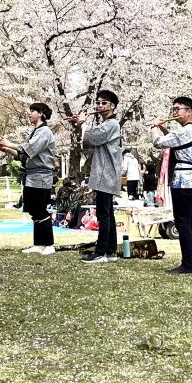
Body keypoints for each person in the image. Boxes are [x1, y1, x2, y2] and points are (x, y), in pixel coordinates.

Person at [151, 96, 192, 275]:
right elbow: (177, 141)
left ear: (189, 111)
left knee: (183, 222)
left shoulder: (186, 130)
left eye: (178, 109)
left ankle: (187, 264)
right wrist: (163, 128)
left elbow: (158, 143)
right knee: (190, 222)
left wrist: (154, 129)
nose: (174, 112)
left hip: (183, 180)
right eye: (173, 109)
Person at [0, 103, 58, 256]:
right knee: (33, 209)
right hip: (31, 176)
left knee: (40, 208)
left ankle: (49, 244)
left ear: (41, 114)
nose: (30, 113)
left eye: (33, 111)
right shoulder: (35, 131)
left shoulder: (44, 131)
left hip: (41, 176)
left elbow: (28, 148)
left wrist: (9, 143)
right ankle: (38, 244)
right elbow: (23, 156)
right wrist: (7, 149)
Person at [78, 90, 123, 263]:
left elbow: (93, 138)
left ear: (112, 106)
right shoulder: (107, 124)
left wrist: (83, 124)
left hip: (107, 174)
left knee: (104, 215)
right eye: (97, 103)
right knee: (108, 213)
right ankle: (110, 251)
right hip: (106, 174)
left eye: (104, 103)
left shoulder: (111, 124)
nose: (99, 106)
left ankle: (101, 252)